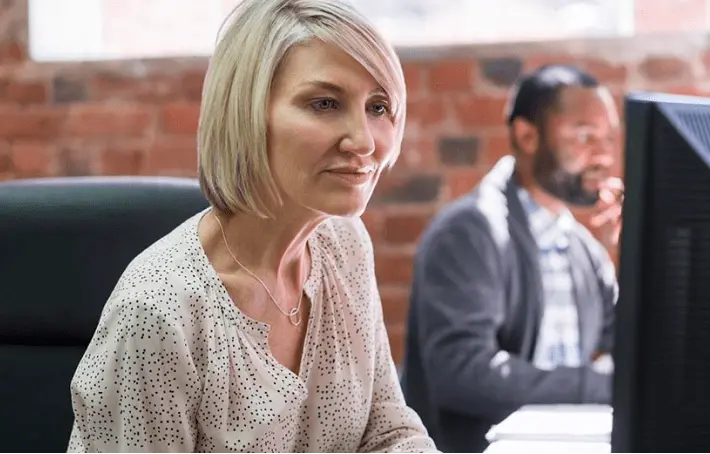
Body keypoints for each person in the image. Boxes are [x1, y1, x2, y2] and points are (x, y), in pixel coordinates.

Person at [66, 1, 437, 453]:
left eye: (379, 107)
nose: (363, 141)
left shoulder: (343, 245)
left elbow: (388, 433)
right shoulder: (160, 314)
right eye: (324, 103)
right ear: (245, 111)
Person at [400, 64, 622, 454]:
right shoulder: (469, 231)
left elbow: (640, 351)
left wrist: (639, 251)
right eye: (585, 135)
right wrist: (599, 384)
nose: (604, 155)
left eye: (608, 138)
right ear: (527, 135)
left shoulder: (584, 249)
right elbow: (461, 373)